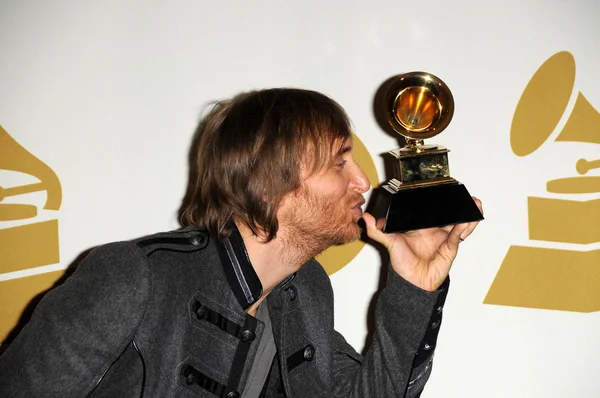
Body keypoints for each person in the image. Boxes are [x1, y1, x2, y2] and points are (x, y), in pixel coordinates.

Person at [0, 88, 481, 397]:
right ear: (269, 183)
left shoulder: (306, 290)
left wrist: (415, 284)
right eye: (340, 162)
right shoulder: (133, 276)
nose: (362, 180)